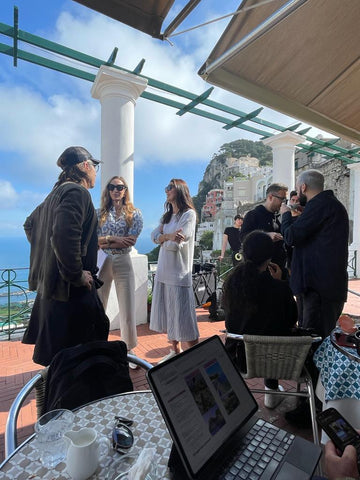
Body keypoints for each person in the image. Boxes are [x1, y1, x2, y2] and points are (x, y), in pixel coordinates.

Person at [22, 146, 109, 367]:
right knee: (83, 360)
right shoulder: (77, 192)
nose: (96, 172)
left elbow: (30, 225)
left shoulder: (54, 195)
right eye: (95, 166)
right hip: (72, 292)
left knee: (61, 361)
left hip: (54, 291)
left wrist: (51, 255)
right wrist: (77, 274)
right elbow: (63, 235)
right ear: (86, 166)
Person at [222, 230, 297, 409]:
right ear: (269, 257)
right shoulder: (279, 288)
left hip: (240, 358)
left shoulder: (232, 285)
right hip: (276, 361)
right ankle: (271, 392)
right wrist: (280, 282)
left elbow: (230, 322)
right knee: (272, 331)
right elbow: (292, 319)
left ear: (245, 253)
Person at [280, 169, 349, 340]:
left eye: (297, 188)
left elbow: (291, 236)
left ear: (303, 187)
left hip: (318, 290)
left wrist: (286, 215)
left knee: (313, 343)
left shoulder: (320, 205)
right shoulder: (328, 205)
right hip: (324, 287)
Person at [150, 179, 199, 362]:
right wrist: (166, 237)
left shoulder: (189, 214)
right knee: (171, 316)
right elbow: (153, 236)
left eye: (170, 187)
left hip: (179, 274)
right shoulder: (168, 216)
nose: (166, 191)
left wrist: (164, 239)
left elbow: (177, 243)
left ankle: (195, 355)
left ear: (179, 190)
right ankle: (175, 351)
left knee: (184, 318)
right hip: (163, 272)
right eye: (166, 187)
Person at [97, 176, 143, 367]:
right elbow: (94, 240)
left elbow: (131, 241)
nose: (116, 190)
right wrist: (113, 238)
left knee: (127, 307)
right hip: (103, 260)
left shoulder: (134, 213)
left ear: (125, 190)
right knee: (99, 305)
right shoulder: (98, 213)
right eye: (112, 187)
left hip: (123, 260)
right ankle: (97, 345)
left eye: (120, 187)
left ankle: (129, 349)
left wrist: (105, 239)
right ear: (108, 190)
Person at [240, 183, 288, 275]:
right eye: (282, 199)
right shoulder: (253, 215)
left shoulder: (278, 218)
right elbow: (243, 237)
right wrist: (266, 236)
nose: (283, 203)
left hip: (278, 269)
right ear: (270, 197)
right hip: (260, 271)